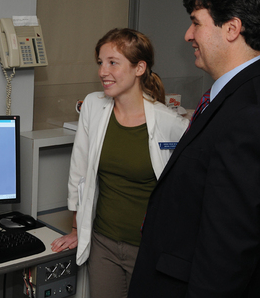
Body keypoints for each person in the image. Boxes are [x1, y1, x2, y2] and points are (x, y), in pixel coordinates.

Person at [127, 0, 260, 297]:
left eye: (196, 23)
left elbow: (226, 250)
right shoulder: (229, 98)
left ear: (232, 28)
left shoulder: (247, 113)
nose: (188, 35)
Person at [50, 28, 189, 298]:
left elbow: (183, 193)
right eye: (101, 62)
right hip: (103, 243)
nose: (103, 71)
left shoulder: (171, 124)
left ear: (139, 68)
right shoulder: (93, 105)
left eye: (113, 62)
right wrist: (78, 228)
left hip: (148, 247)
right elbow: (79, 171)